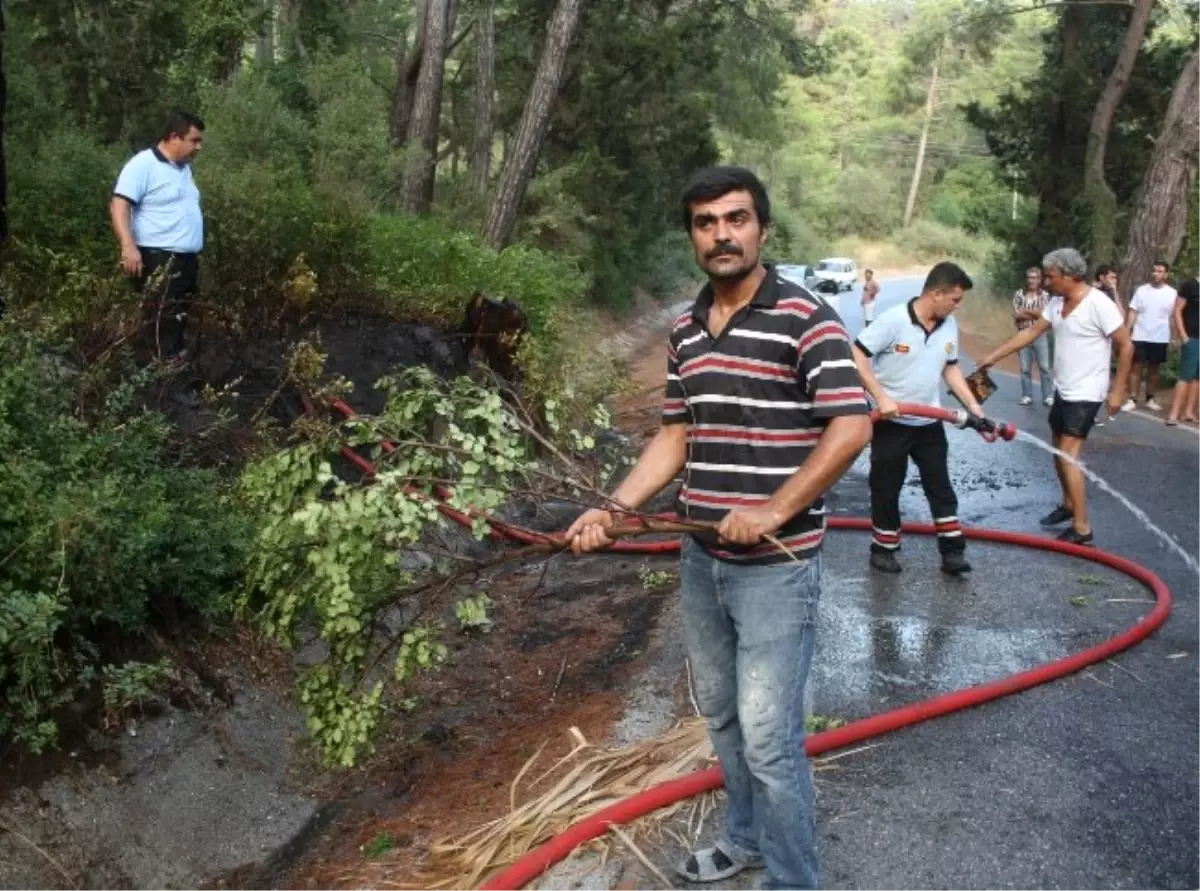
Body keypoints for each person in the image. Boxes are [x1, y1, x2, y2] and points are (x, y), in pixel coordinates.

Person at [566, 165, 872, 889]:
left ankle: (793, 879)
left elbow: (852, 424)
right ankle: (746, 838)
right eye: (706, 223)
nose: (721, 234)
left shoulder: (806, 318)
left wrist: (773, 509)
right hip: (702, 559)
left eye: (735, 218)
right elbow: (675, 434)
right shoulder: (685, 328)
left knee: (769, 738)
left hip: (777, 563)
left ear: (763, 228)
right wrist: (613, 509)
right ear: (693, 237)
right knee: (726, 720)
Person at [977, 248, 1133, 545]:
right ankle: (1068, 504)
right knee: (1057, 447)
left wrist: (1119, 390)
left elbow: (1126, 345)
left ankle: (1083, 527)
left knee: (1069, 454)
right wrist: (993, 357)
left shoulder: (1099, 304)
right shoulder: (1057, 302)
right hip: (1064, 389)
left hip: (1087, 392)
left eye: (1051, 276)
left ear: (1072, 275)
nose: (1046, 282)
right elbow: (1031, 333)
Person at [852, 262, 982, 576]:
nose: (957, 305)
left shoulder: (948, 324)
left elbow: (950, 368)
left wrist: (975, 410)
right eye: (954, 299)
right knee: (886, 486)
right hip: (890, 421)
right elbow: (857, 355)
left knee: (940, 487)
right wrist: (881, 398)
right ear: (936, 293)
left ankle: (952, 553)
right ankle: (883, 548)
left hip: (928, 423)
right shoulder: (894, 320)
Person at [110, 109, 206, 361]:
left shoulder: (182, 169)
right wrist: (128, 246)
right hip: (159, 258)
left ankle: (170, 374)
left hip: (185, 260)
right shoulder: (143, 165)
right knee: (163, 322)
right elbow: (120, 205)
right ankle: (163, 383)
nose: (199, 147)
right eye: (194, 140)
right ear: (174, 137)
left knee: (178, 319)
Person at [1122, 260, 1177, 413]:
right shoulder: (1142, 290)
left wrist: (1174, 335)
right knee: (1136, 367)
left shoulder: (1171, 293)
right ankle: (1132, 398)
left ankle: (1150, 398)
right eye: (1154, 270)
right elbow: (1133, 311)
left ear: (1166, 274)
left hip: (1160, 336)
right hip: (1140, 334)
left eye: (1160, 271)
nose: (1156, 274)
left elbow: (1173, 316)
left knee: (1154, 369)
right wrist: (1128, 329)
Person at [1012, 265, 1054, 406]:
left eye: (1035, 278)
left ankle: (1048, 396)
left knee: (1045, 367)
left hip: (1040, 334)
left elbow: (1045, 315)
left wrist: (1027, 311)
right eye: (1029, 277)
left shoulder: (1045, 295)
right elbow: (1016, 314)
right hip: (1023, 333)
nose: (1031, 281)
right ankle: (1026, 395)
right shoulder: (1019, 294)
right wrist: (1035, 312)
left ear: (1040, 279)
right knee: (1025, 368)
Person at [1166, 271, 1200, 425]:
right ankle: (1173, 414)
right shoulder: (1190, 285)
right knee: (1186, 375)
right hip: (1192, 337)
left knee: (1197, 378)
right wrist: (1183, 335)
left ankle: (1189, 412)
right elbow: (1177, 310)